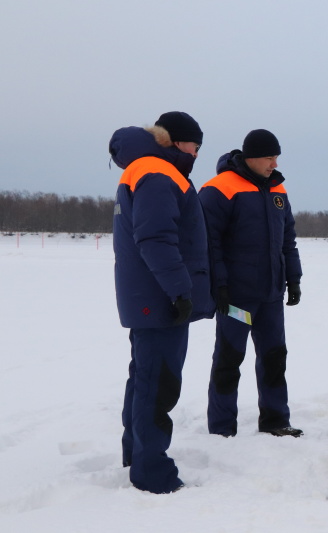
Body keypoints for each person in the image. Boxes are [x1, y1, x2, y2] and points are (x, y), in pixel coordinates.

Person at [109, 111, 214, 494]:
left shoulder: (146, 169)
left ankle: (137, 456)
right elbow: (155, 238)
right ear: (173, 141)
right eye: (194, 146)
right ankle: (152, 473)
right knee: (158, 384)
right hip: (159, 300)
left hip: (148, 298)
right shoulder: (157, 172)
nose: (196, 154)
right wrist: (180, 291)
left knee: (145, 378)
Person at [199, 129, 303, 438]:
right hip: (236, 297)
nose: (275, 164)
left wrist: (294, 279)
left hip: (271, 295)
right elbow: (208, 244)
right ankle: (221, 429)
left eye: (276, 157)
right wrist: (218, 285)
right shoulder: (219, 188)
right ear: (252, 157)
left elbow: (288, 240)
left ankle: (276, 421)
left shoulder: (278, 189)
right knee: (229, 359)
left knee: (274, 358)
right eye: (270, 157)